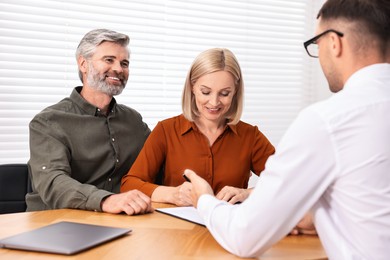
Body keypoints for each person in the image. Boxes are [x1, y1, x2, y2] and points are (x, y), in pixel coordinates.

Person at [184, 0, 390, 259]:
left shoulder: (328, 121)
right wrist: (317, 215)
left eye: (316, 45)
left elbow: (245, 237)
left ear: (334, 43)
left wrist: (203, 199)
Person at [121, 48, 275, 206]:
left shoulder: (250, 136)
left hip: (229, 228)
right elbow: (129, 184)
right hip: (177, 228)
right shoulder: (166, 130)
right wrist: (171, 194)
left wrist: (247, 193)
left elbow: (290, 182)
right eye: (206, 92)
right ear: (192, 87)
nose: (214, 102)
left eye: (224, 93)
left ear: (235, 91)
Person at [26, 29, 153, 215]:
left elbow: (161, 161)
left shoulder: (133, 121)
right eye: (109, 60)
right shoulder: (48, 122)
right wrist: (106, 200)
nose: (118, 68)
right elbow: (53, 181)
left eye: (124, 63)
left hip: (114, 223)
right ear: (83, 64)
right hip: (55, 224)